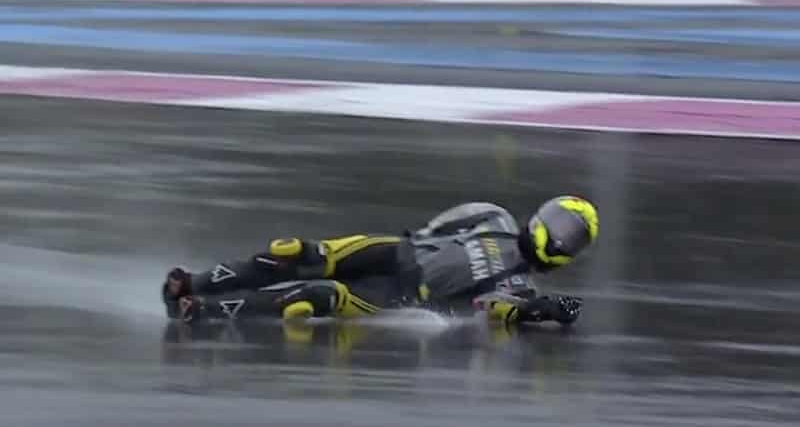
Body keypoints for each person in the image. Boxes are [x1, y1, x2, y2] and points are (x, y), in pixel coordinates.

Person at [163, 196, 598, 327]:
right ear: (542, 214)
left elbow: (500, 309)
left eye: (572, 237)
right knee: (298, 253)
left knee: (317, 296)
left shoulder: (520, 287)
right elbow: (446, 220)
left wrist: (548, 310)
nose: (560, 235)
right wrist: (424, 235)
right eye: (560, 223)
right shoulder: (496, 219)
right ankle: (193, 282)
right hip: (397, 250)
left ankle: (202, 308)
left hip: (403, 294)